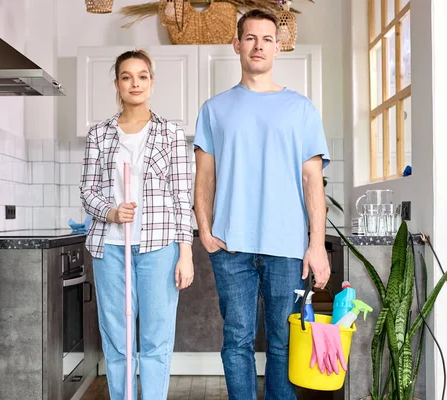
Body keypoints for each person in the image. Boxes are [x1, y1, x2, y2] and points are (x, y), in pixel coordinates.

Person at [193, 9, 332, 400]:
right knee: (236, 342)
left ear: (278, 47)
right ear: (237, 45)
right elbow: (204, 177)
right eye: (250, 38)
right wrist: (205, 229)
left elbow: (312, 180)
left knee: (283, 344)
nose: (258, 46)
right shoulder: (214, 109)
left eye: (267, 39)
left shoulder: (301, 108)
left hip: (286, 249)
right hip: (230, 246)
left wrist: (316, 244)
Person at [79, 49, 194, 400]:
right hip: (110, 248)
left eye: (142, 76)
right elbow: (87, 190)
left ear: (152, 82)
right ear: (117, 83)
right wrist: (111, 212)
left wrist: (185, 252)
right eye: (127, 76)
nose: (135, 83)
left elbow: (181, 195)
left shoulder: (171, 134)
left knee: (156, 338)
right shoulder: (99, 134)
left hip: (159, 247)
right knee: (117, 338)